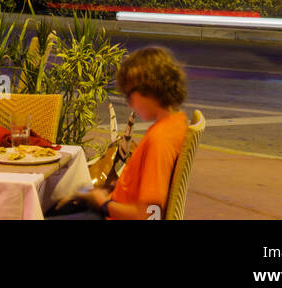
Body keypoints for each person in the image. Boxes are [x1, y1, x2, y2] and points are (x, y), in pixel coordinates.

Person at [49, 46, 188, 220]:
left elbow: (150, 215)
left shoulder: (159, 140)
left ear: (149, 89)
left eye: (130, 95)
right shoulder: (176, 123)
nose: (129, 104)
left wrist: (103, 204)